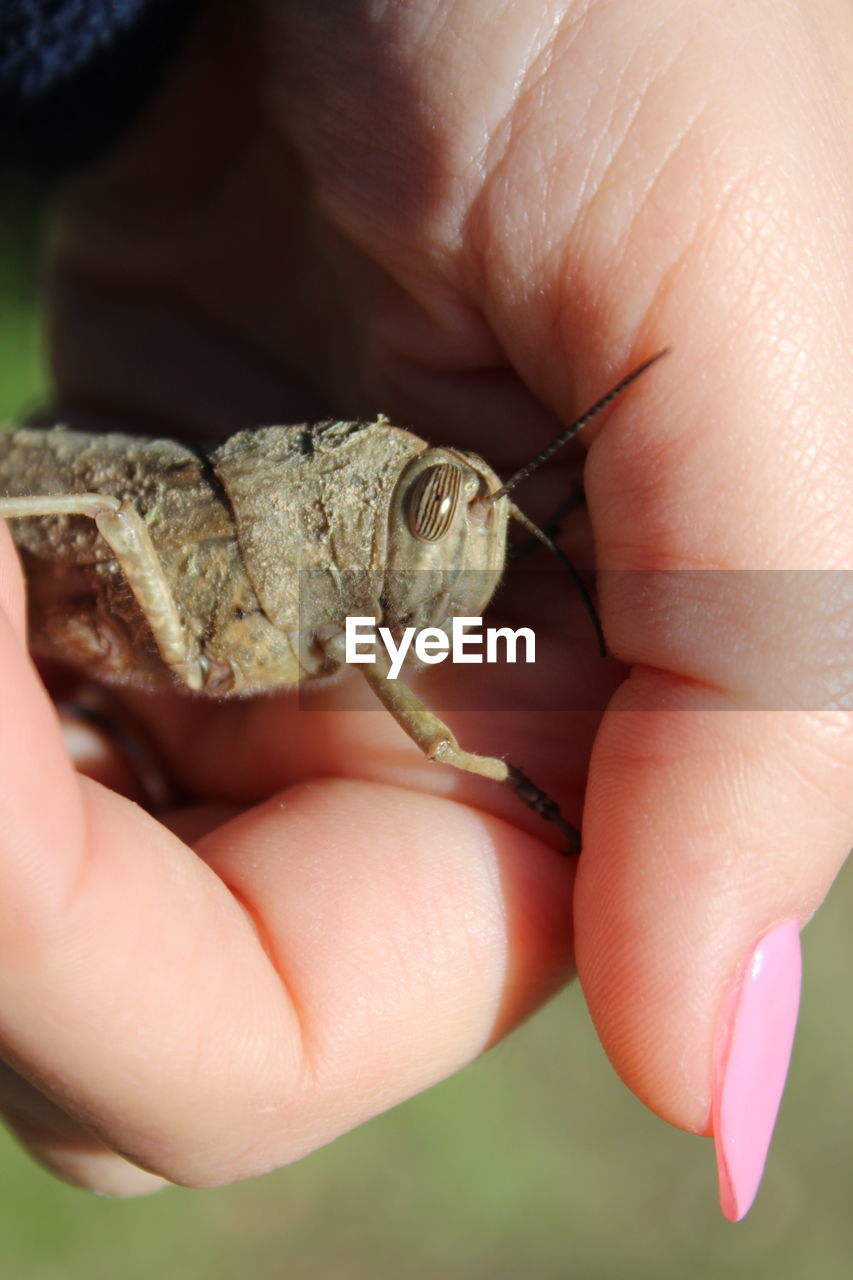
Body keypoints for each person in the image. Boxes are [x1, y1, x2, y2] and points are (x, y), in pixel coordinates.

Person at [0, 0, 850, 1220]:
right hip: (129, 545)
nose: (468, 544)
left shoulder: (383, 574)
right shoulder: (327, 551)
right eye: (442, 502)